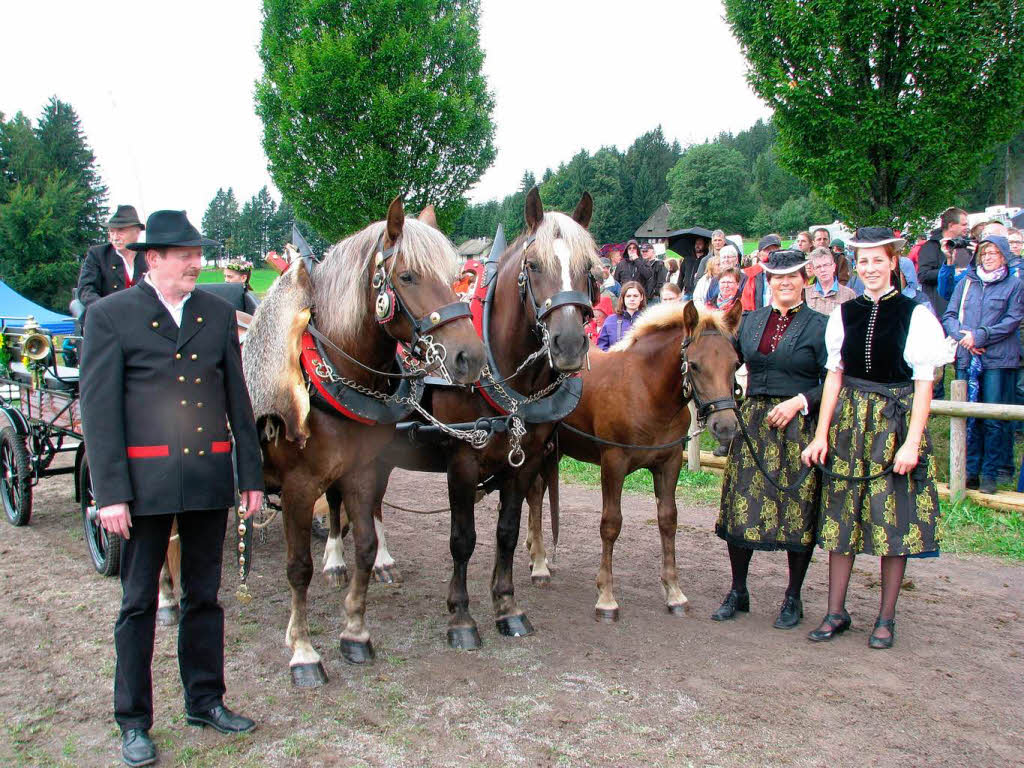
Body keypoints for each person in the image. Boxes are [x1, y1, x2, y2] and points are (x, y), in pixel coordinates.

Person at [80, 210, 265, 767]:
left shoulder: (216, 310)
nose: (196, 263)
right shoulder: (112, 316)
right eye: (185, 255)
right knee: (137, 605)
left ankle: (205, 701)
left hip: (208, 477)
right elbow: (99, 410)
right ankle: (133, 721)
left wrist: (249, 478)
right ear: (152, 259)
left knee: (204, 598)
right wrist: (109, 492)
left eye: (197, 254)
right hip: (142, 486)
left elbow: (238, 398)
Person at [801, 227, 948, 650]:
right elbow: (834, 377)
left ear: (893, 263)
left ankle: (886, 618)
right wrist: (822, 433)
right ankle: (835, 611)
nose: (870, 269)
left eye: (878, 261)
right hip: (850, 422)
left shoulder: (915, 314)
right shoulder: (843, 315)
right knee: (840, 517)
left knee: (892, 522)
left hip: (892, 424)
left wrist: (912, 443)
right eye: (863, 261)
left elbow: (924, 385)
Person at [715, 248, 826, 628]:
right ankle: (738, 590)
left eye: (792, 277)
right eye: (777, 278)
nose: (784, 283)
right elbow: (726, 363)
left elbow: (833, 381)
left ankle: (793, 597)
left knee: (797, 511)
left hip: (798, 427)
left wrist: (800, 401)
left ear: (804, 280)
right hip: (753, 423)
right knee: (741, 506)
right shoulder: (750, 321)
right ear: (768, 281)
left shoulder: (820, 325)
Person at [941, 235, 1024, 493]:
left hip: (998, 359)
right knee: (968, 417)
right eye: (984, 253)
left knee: (993, 418)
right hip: (968, 357)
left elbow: (1013, 320)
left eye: (994, 253)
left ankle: (990, 473)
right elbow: (950, 315)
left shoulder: (1014, 284)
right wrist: (964, 337)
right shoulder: (967, 282)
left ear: (1003, 256)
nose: (988, 257)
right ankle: (969, 471)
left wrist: (981, 335)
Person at [77, 205, 150, 317]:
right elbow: (86, 290)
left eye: (121, 231)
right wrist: (106, 310)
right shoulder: (98, 255)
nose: (115, 238)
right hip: (105, 320)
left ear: (137, 232)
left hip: (142, 320)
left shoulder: (149, 257)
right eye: (111, 232)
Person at [918, 207, 969, 317]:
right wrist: (950, 271)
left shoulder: (966, 246)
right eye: (964, 225)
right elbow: (923, 275)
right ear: (951, 226)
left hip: (962, 308)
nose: (967, 228)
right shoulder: (931, 247)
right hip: (940, 309)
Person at [804, 247, 856, 315]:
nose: (823, 270)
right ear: (814, 271)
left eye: (826, 265)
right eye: (818, 267)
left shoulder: (849, 295)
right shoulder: (805, 293)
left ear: (834, 267)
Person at [596, 281, 646, 350]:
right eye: (628, 296)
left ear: (641, 297)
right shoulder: (610, 321)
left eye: (635, 296)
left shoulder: (648, 321)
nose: (632, 299)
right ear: (623, 298)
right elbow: (601, 347)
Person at [740, 234, 782, 311]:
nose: (772, 253)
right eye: (767, 250)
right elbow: (746, 306)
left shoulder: (789, 274)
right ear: (759, 255)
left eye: (775, 250)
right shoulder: (751, 277)